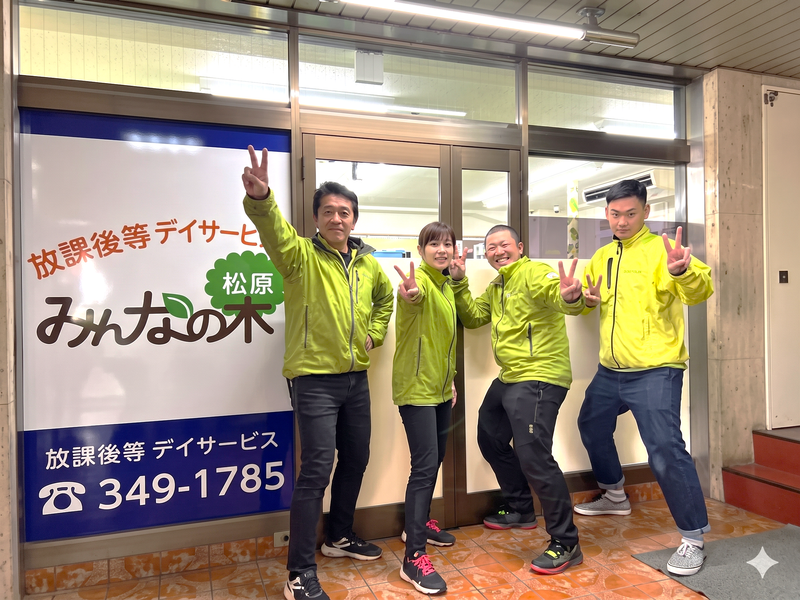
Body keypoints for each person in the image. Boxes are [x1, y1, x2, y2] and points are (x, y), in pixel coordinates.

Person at [241, 146, 394, 600]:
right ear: (316, 218)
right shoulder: (300, 257)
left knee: (357, 458)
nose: (337, 218)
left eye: (344, 212)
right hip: (313, 380)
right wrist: (263, 199)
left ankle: (339, 536)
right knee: (316, 472)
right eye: (328, 211)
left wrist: (374, 333)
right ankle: (299, 573)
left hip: (355, 378)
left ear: (354, 219)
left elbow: (385, 301)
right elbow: (275, 233)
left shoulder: (367, 264)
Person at [574, 179, 714, 577]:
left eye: (630, 213)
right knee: (591, 425)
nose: (622, 221)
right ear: (606, 214)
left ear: (646, 212)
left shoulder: (662, 250)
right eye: (615, 214)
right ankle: (615, 494)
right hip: (611, 369)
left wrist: (683, 272)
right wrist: (578, 300)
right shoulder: (602, 256)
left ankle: (693, 538)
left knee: (665, 450)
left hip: (656, 369)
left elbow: (700, 291)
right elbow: (587, 304)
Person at [449, 224, 586, 575]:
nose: (498, 251)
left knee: (534, 455)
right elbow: (474, 317)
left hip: (540, 374)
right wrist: (459, 281)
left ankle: (566, 541)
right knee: (489, 437)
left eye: (504, 244)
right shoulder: (497, 286)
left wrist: (571, 297)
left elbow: (559, 295)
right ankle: (522, 508)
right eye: (491, 247)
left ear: (520, 247)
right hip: (511, 375)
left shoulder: (534, 273)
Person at [392, 222, 459, 596]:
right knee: (424, 466)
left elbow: (442, 342)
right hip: (416, 389)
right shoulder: (419, 284)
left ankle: (418, 524)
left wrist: (450, 380)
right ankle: (413, 557)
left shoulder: (446, 287)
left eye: (447, 243)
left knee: (435, 460)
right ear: (421, 250)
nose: (441, 249)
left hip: (439, 389)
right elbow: (411, 298)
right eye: (433, 244)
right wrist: (411, 293)